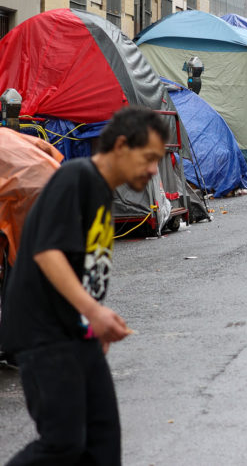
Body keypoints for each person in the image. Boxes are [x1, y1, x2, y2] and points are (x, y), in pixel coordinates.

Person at [0, 106, 168, 465]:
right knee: (63, 444)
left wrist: (94, 323)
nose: (154, 169)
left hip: (79, 335)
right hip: (44, 335)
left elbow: (83, 267)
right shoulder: (76, 177)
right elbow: (48, 253)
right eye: (149, 157)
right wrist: (94, 312)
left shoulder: (101, 191)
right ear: (122, 145)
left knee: (102, 444)